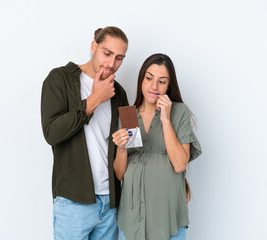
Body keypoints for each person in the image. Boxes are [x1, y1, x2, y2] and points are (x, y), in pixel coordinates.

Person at [41, 26, 129, 240]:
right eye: (106, 53)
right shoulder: (58, 78)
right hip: (73, 202)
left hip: (111, 203)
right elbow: (51, 133)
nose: (111, 63)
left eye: (119, 58)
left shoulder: (120, 93)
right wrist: (95, 99)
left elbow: (132, 138)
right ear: (93, 46)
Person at [112, 53, 202, 240]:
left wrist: (165, 119)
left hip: (168, 220)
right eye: (149, 78)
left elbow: (179, 164)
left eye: (162, 81)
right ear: (141, 79)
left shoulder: (179, 112)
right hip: (132, 219)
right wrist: (121, 148)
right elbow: (120, 175)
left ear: (169, 85)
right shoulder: (128, 115)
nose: (154, 86)